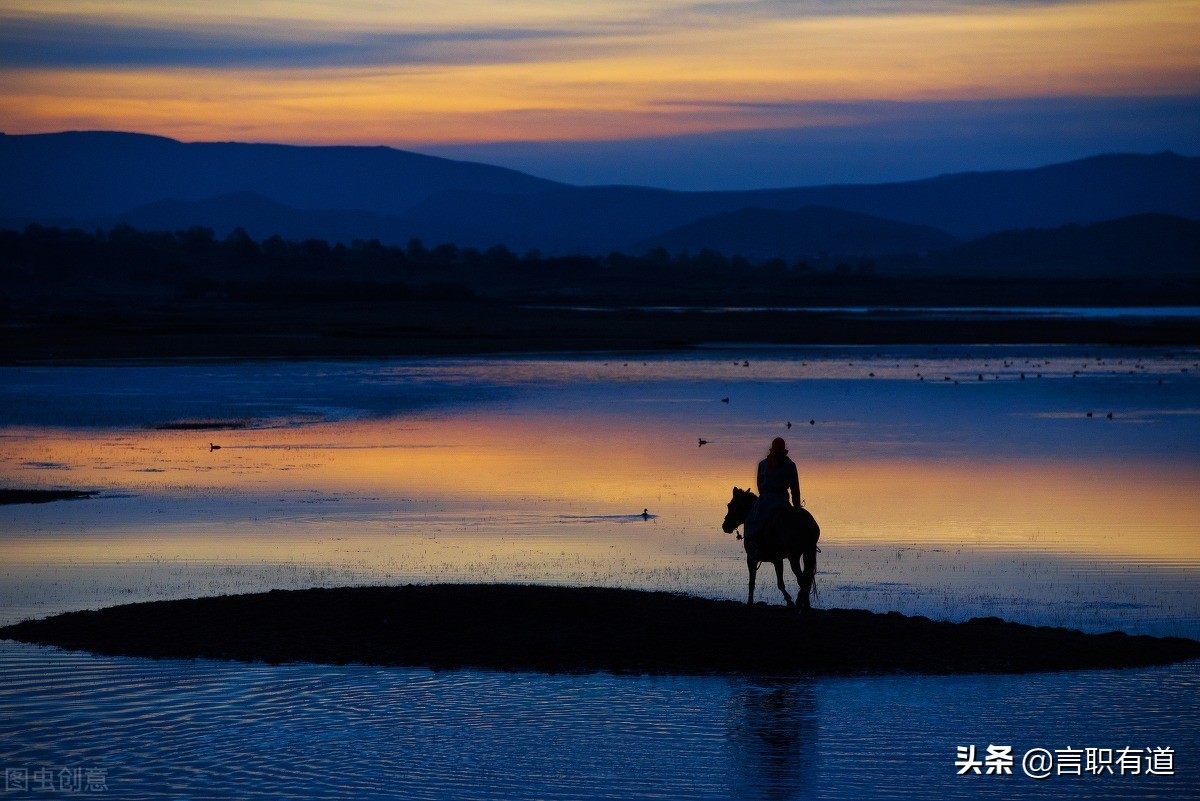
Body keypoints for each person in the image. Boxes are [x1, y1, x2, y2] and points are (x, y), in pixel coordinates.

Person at [742, 437, 801, 553]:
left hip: (766, 499)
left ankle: (753, 543)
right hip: (783, 499)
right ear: (784, 449)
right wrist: (797, 506)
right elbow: (795, 488)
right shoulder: (790, 465)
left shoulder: (763, 464)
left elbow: (759, 484)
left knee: (751, 521)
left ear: (772, 448)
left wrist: (764, 496)